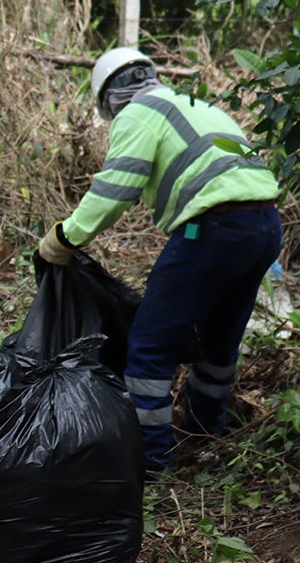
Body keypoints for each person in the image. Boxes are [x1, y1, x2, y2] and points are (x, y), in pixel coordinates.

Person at [36, 47, 283, 478]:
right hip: (263, 227)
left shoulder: (137, 112)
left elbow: (116, 188)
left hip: (211, 230)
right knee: (220, 341)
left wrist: (65, 238)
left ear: (109, 97)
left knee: (149, 348)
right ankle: (206, 438)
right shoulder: (194, 104)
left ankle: (152, 464)